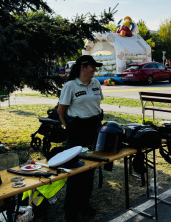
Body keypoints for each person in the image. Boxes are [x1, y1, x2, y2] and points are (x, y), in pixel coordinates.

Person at [58, 55, 104, 221]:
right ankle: (71, 211)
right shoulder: (70, 86)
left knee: (90, 169)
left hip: (93, 130)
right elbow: (61, 111)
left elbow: (97, 107)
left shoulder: (96, 84)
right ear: (83, 67)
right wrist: (68, 127)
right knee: (75, 171)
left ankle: (84, 204)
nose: (95, 70)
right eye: (92, 66)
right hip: (76, 132)